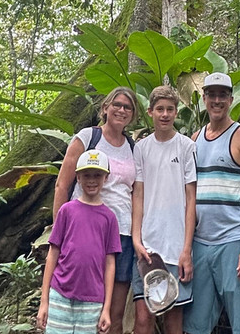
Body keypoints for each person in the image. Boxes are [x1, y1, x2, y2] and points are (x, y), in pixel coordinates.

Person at [183, 72, 240, 334]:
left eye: (222, 95)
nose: (216, 100)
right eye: (211, 95)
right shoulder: (194, 139)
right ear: (204, 99)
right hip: (201, 243)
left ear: (230, 99)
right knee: (195, 325)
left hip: (233, 242)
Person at [53, 86, 139, 331]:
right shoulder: (88, 138)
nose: (121, 110)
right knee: (83, 302)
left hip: (122, 232)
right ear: (105, 108)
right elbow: (62, 185)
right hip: (85, 230)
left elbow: (134, 192)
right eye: (117, 104)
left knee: (115, 311)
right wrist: (59, 233)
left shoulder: (133, 147)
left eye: (127, 107)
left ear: (132, 115)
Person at [131, 85, 197, 334]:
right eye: (160, 109)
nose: (165, 114)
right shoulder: (142, 149)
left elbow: (191, 199)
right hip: (147, 247)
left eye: (170, 109)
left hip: (177, 247)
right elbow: (138, 194)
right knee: (143, 318)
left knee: (174, 318)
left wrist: (187, 250)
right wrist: (137, 240)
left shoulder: (186, 147)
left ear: (176, 112)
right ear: (150, 112)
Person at [38, 149, 122, 334]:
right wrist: (45, 301)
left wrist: (106, 308)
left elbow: (110, 263)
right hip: (60, 295)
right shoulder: (67, 211)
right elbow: (53, 254)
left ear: (105, 178)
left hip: (92, 300)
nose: (92, 180)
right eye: (87, 175)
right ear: (78, 177)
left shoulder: (109, 218)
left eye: (97, 175)